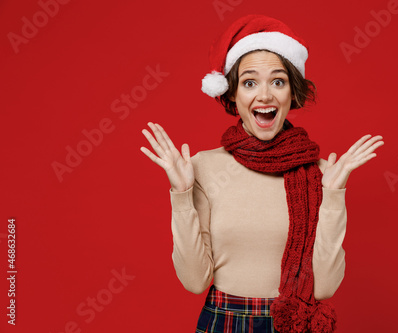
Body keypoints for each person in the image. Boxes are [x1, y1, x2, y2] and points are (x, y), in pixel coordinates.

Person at [140, 14, 384, 333]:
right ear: (233, 95)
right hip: (224, 320)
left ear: (292, 93)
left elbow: (323, 288)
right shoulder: (201, 167)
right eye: (250, 82)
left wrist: (334, 196)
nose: (265, 95)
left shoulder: (323, 175)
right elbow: (194, 280)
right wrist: (182, 195)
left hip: (292, 323)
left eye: (278, 81)